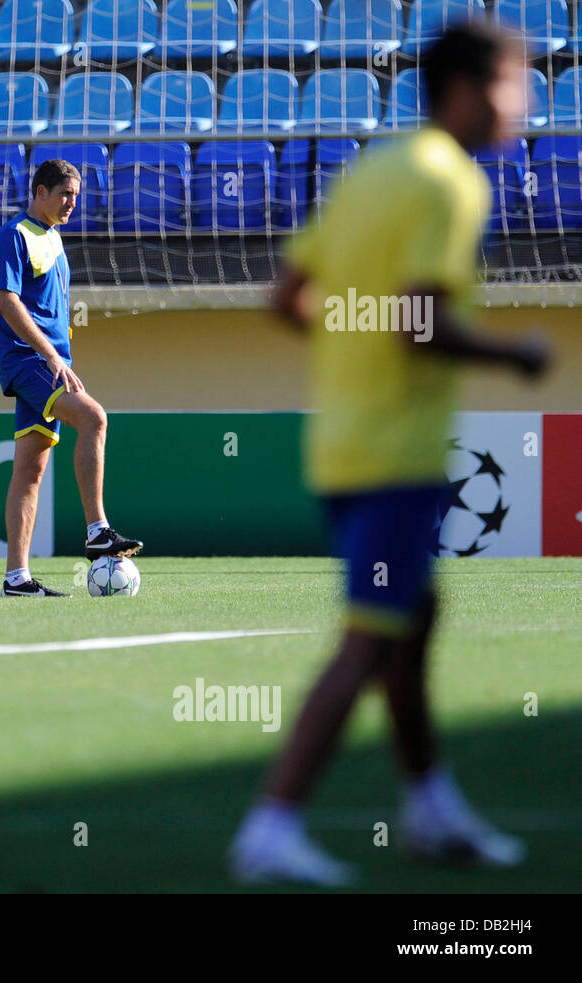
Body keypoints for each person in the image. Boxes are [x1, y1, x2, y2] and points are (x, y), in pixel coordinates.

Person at [230, 22, 550, 886]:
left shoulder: (372, 170)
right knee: (371, 639)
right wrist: (514, 355)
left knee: (415, 618)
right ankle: (272, 825)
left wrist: (356, 341)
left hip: (341, 440)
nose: (526, 102)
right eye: (518, 82)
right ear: (468, 87)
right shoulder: (449, 183)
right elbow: (421, 323)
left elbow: (289, 299)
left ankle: (431, 806)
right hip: (394, 452)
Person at [0, 159, 143, 598]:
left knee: (30, 470)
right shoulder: (15, 235)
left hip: (48, 361)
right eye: (64, 195)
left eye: (75, 196)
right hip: (30, 361)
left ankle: (16, 579)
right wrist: (51, 353)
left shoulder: (52, 238)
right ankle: (98, 530)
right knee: (94, 417)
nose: (72, 203)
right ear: (40, 192)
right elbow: (7, 301)